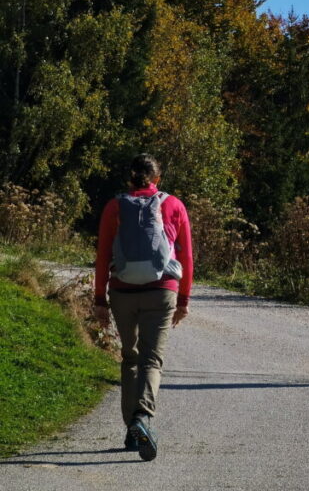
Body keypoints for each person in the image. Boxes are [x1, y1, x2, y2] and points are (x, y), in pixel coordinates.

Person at [93, 154, 193, 461]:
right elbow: (186, 256)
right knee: (153, 359)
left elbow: (102, 254)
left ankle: (131, 431)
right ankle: (143, 416)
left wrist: (100, 299)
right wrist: (184, 299)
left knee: (130, 358)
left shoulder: (114, 206)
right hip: (161, 290)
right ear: (157, 178)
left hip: (122, 290)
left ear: (129, 178)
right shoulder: (173, 205)